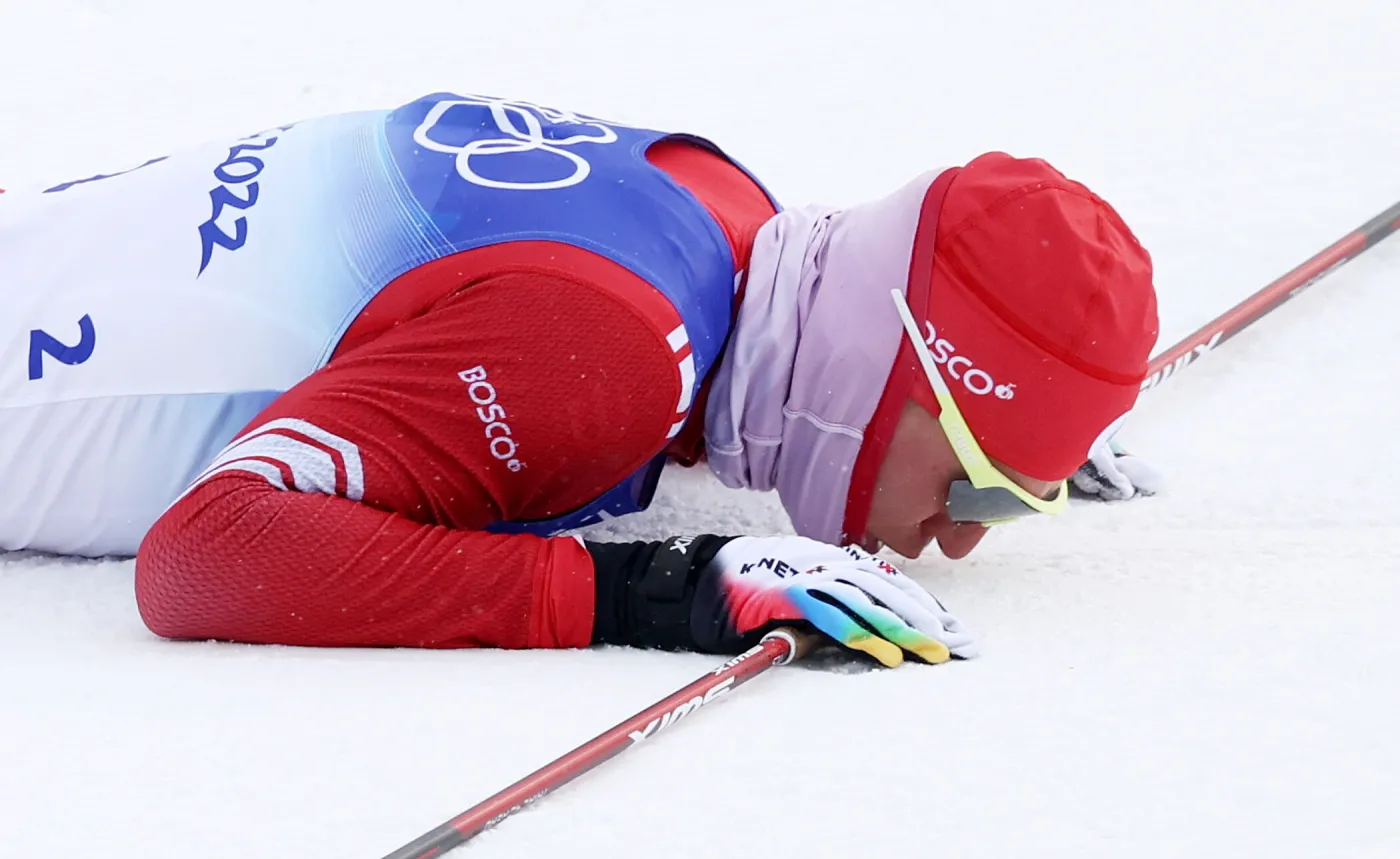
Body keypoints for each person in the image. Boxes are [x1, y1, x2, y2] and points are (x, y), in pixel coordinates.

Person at [0, 90, 1159, 667]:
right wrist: (657, 594)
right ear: (892, 367)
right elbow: (210, 555)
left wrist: (1013, 432)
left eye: (1015, 499)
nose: (961, 538)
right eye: (980, 491)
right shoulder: (607, 352)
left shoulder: (712, 203)